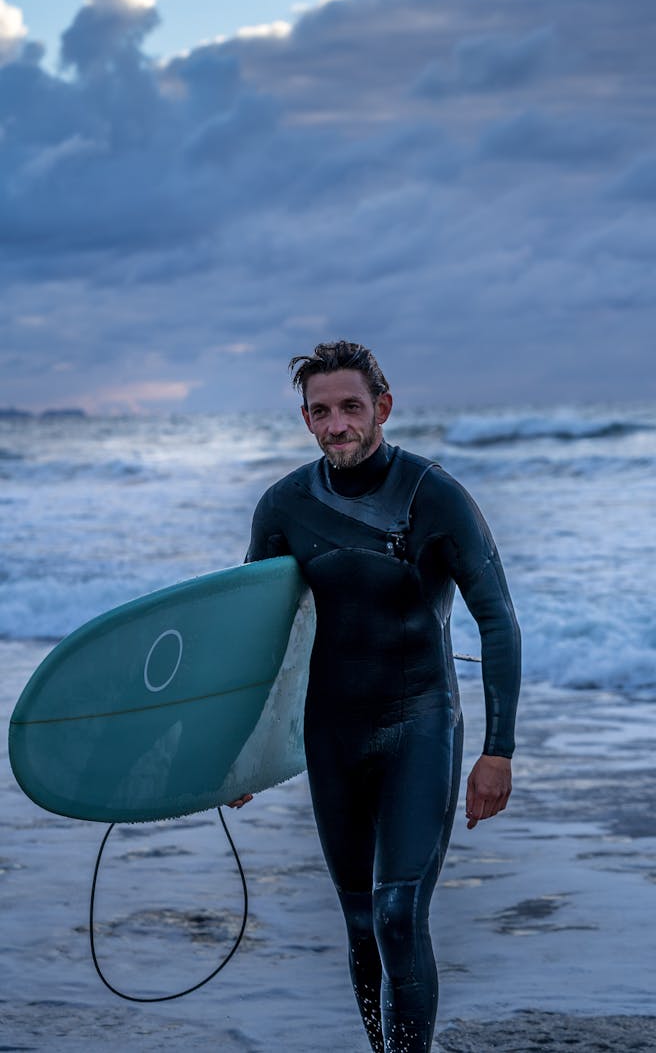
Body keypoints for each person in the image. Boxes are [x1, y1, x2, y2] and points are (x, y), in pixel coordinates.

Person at [230, 341, 521, 1053]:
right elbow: (254, 637)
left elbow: (497, 617)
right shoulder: (284, 507)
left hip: (419, 720)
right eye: (322, 411)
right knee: (360, 920)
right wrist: (236, 751)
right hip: (334, 734)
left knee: (397, 912)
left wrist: (498, 751)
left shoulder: (435, 495)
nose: (337, 425)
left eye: (351, 407)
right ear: (306, 419)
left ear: (382, 407)